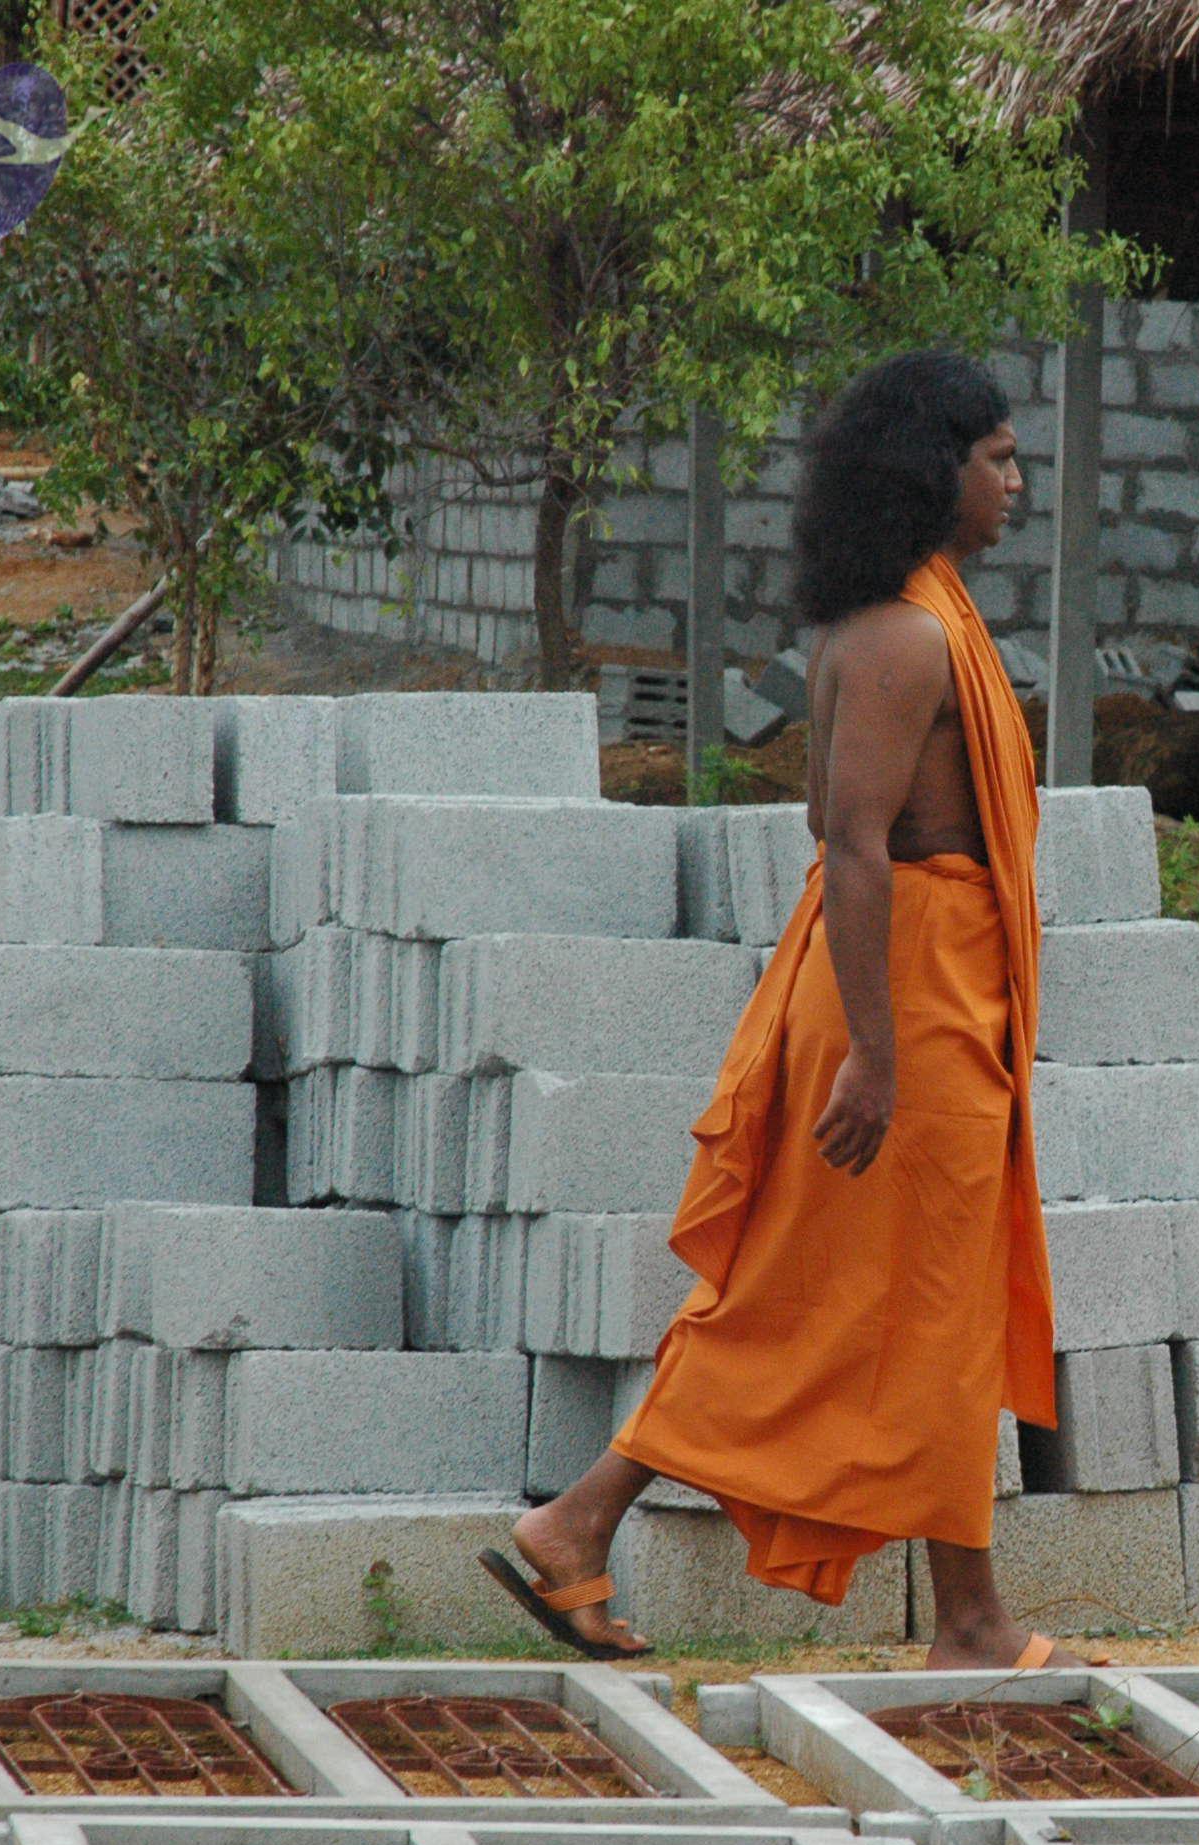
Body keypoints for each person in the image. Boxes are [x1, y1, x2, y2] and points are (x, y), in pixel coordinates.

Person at [482, 349, 1078, 1670]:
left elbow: (835, 820)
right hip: (900, 1002)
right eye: (998, 461)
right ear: (934, 472)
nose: (1017, 486)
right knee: (873, 1303)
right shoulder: (907, 636)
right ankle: (963, 1620)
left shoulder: (909, 622)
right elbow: (849, 840)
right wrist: (873, 1053)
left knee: (906, 1299)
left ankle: (585, 1526)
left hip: (921, 989)